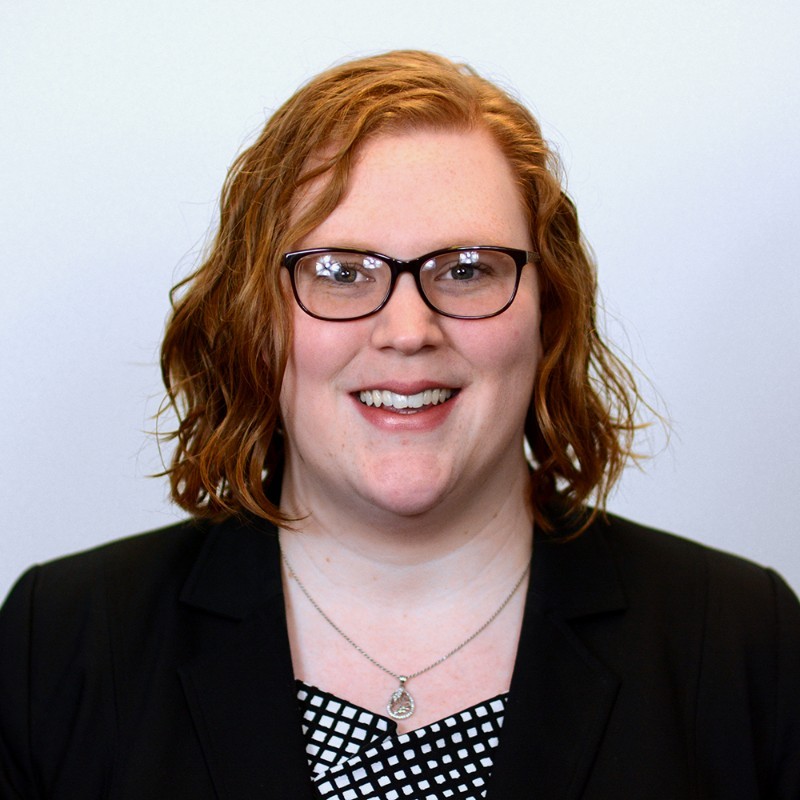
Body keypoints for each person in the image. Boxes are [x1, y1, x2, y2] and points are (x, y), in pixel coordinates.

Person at [1, 50, 798, 800]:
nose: (408, 328)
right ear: (255, 318)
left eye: (466, 269)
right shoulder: (61, 641)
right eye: (342, 273)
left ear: (548, 310)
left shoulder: (740, 641)